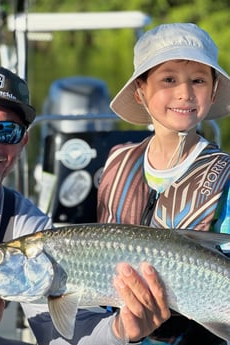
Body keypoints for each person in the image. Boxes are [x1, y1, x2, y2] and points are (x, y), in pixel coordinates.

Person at [0, 64, 169, 345]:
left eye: (7, 131)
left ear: (23, 143)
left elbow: (62, 335)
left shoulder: (27, 226)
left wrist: (122, 330)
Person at [97, 23, 230, 345]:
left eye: (198, 80)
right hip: (119, 334)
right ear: (140, 92)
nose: (184, 93)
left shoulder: (224, 176)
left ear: (213, 92)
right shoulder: (116, 163)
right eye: (168, 79)